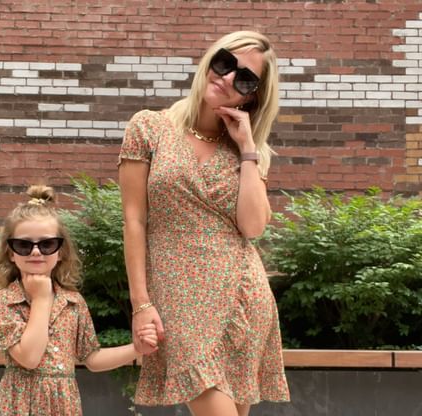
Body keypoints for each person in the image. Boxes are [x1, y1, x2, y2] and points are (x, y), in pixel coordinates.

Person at [118, 30, 290, 416]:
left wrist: (248, 149)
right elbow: (134, 221)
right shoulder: (149, 127)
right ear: (210, 60)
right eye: (224, 63)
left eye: (244, 78)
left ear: (252, 96)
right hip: (178, 294)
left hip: (242, 294)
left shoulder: (250, 150)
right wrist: (140, 303)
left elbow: (252, 227)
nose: (227, 78)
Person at [0, 185, 158, 416]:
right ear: (10, 252)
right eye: (24, 245)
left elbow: (92, 358)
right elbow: (29, 358)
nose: (36, 252)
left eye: (47, 244)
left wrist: (136, 349)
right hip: (20, 406)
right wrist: (41, 298)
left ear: (60, 252)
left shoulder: (73, 302)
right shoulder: (4, 301)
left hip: (64, 406)